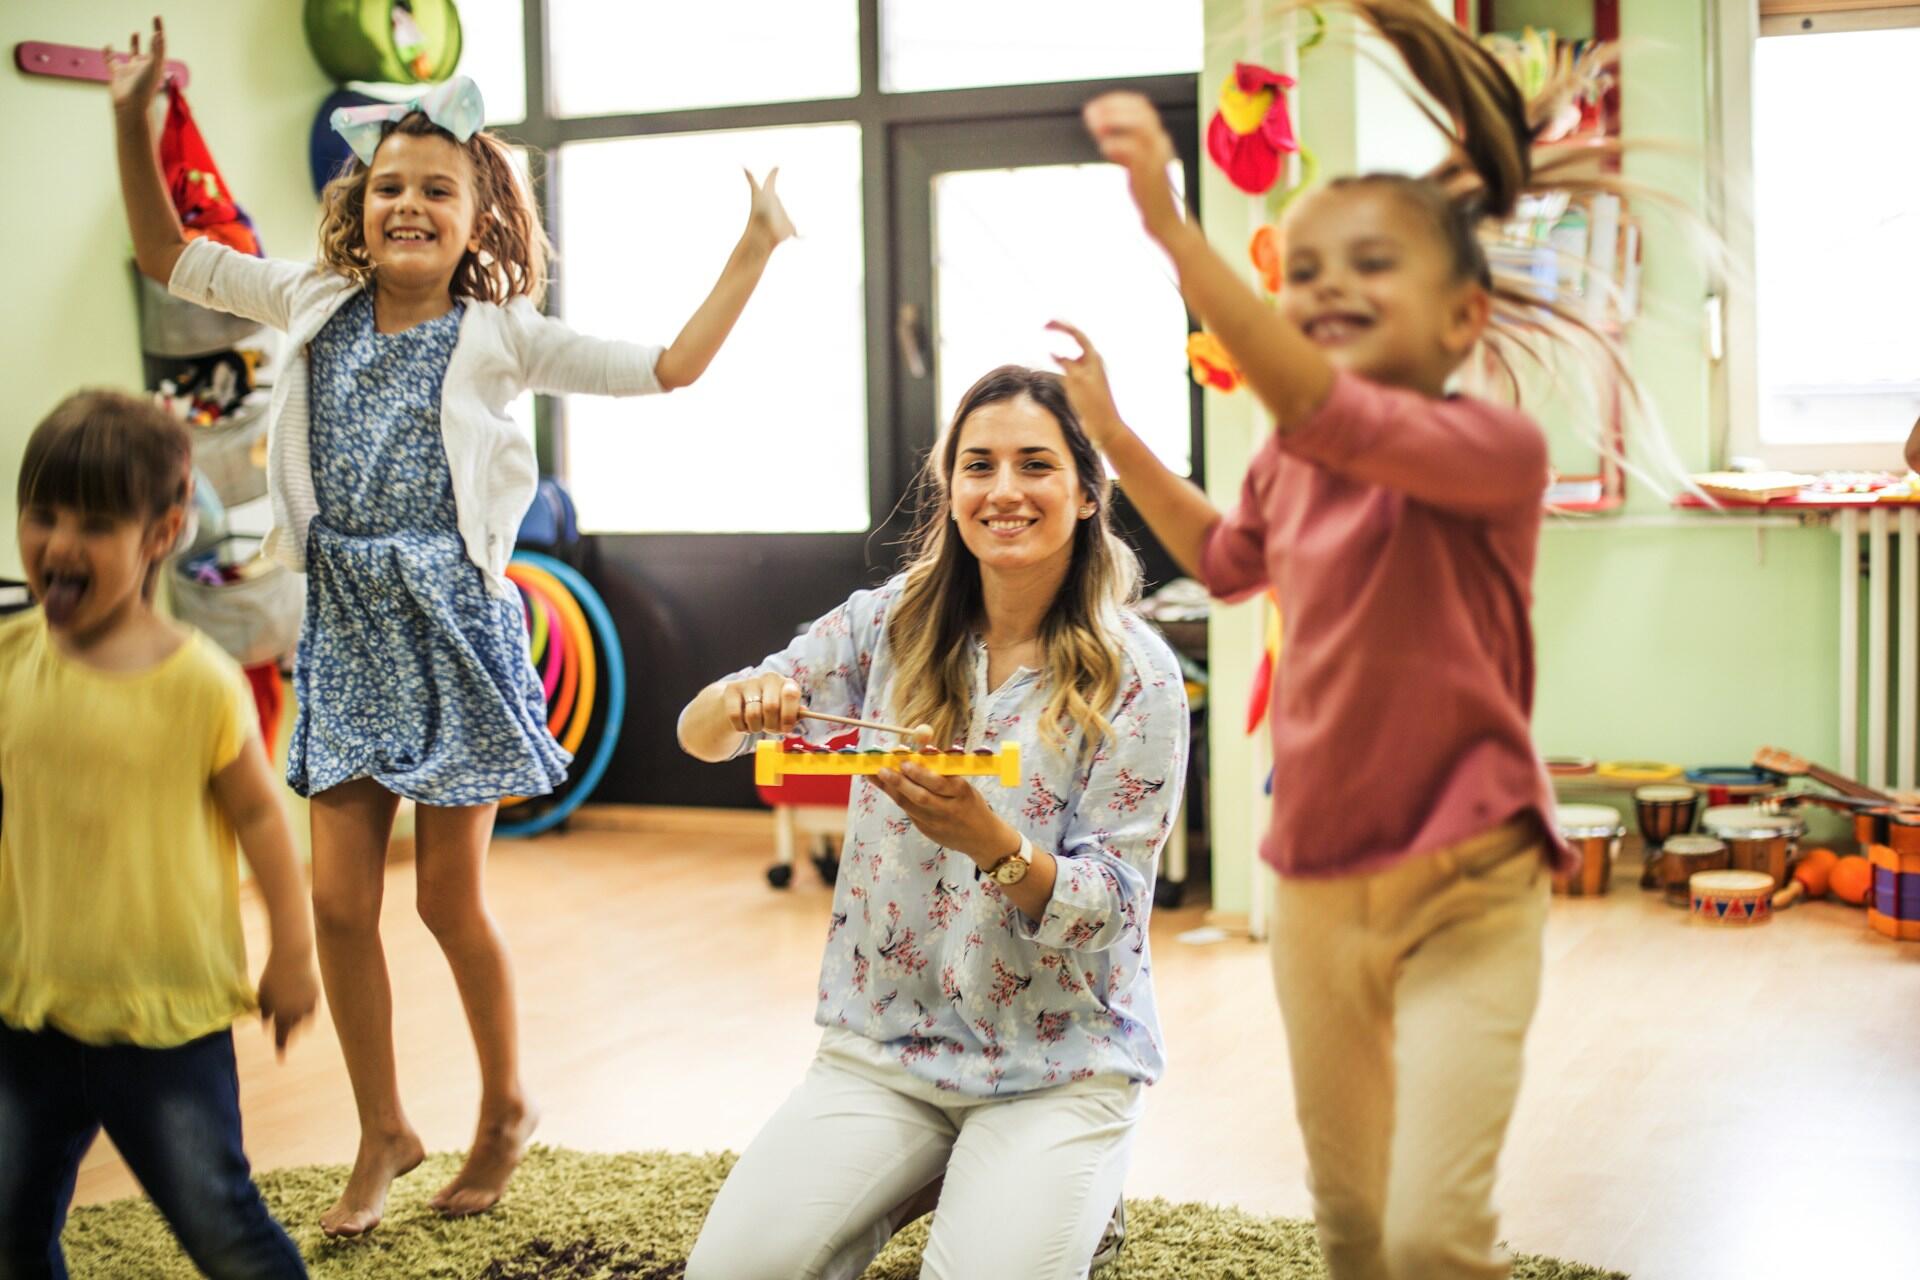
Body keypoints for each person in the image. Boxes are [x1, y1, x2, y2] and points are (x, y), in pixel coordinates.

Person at [104, 18, 795, 1235]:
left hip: (455, 628)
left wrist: (752, 246)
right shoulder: (312, 300)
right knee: (332, 904)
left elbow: (673, 365)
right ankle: (382, 1124)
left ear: (484, 218)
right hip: (348, 627)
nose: (409, 205)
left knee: (447, 902)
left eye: (439, 188)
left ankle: (504, 1106)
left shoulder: (502, 334)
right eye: (388, 187)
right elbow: (166, 251)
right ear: (355, 208)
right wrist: (130, 117)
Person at [1051, 4, 1658, 1275]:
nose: (1326, 288)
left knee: (1437, 1232)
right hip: (1318, 886)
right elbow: (1225, 561)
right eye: (1306, 269)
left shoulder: (1492, 453)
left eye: (1372, 264)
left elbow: (1320, 403)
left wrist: (1170, 224)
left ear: (1462, 317)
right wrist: (1111, 435)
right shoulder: (1291, 457)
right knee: (1356, 1231)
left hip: (1471, 890)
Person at [678, 366, 1187, 1280]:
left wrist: (991, 845)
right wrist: (737, 698)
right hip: (889, 1046)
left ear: (1085, 493)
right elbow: (700, 736)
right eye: (977, 465)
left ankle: (1060, 1184)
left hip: (1059, 1060)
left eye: (1035, 465)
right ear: (949, 491)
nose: (1003, 491)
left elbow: (1112, 907)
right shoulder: (888, 624)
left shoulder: (1137, 676)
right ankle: (940, 1170)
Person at [0, 391, 318, 1280]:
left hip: (164, 1024)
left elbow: (260, 815)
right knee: (9, 1232)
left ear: (160, 533)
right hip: (30, 1011)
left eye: (95, 523)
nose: (60, 543)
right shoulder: (10, 665)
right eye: (42, 515)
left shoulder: (199, 685)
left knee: (223, 1228)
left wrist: (291, 951)